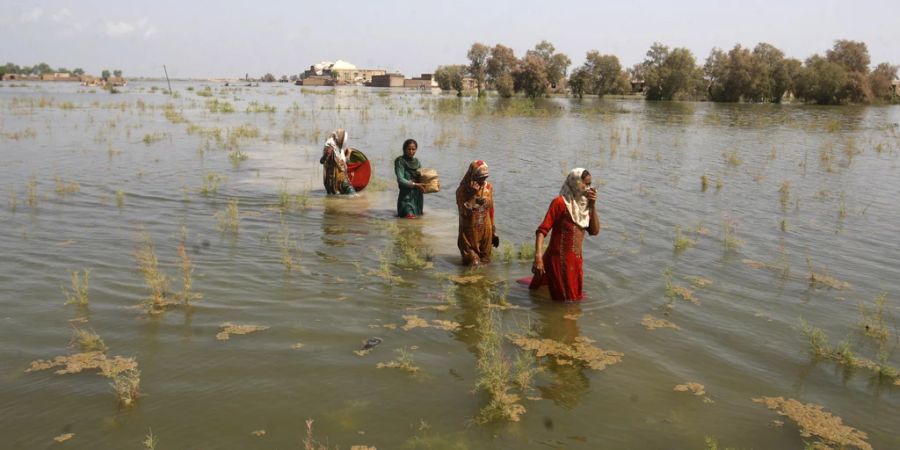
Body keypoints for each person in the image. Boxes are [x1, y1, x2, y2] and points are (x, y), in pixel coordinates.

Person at [530, 168, 601, 302]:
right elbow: (542, 231)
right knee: (565, 304)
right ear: (575, 183)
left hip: (576, 261)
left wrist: (593, 205)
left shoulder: (584, 206)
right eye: (585, 184)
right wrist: (538, 256)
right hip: (559, 260)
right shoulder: (560, 203)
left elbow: (595, 231)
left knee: (573, 299)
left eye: (590, 184)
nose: (589, 188)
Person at [456, 160, 499, 265]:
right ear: (472, 175)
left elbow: (491, 209)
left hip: (485, 232)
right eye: (480, 178)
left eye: (485, 177)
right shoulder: (462, 191)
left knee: (486, 264)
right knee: (473, 264)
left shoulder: (488, 187)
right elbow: (463, 212)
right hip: (468, 235)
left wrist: (493, 231)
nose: (482, 180)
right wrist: (473, 196)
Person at [394, 139, 425, 218]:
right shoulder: (400, 161)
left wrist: (431, 182)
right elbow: (400, 179)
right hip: (406, 197)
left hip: (417, 197)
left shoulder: (417, 162)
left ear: (416, 150)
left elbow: (422, 178)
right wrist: (415, 185)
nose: (411, 152)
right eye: (409, 149)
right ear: (404, 149)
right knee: (409, 217)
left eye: (413, 149)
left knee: (417, 222)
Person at [319, 129, 355, 195]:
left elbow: (341, 162)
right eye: (343, 139)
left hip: (337, 181)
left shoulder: (338, 149)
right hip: (338, 180)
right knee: (353, 196)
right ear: (340, 138)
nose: (344, 142)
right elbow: (322, 161)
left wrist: (348, 154)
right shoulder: (330, 147)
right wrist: (327, 153)